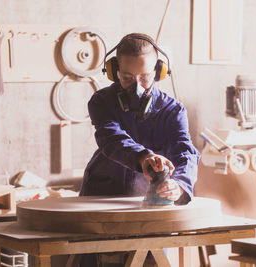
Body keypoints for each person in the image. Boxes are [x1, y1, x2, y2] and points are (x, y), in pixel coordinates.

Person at [79, 33, 200, 266]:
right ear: (114, 72)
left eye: (145, 78)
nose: (137, 87)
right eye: (127, 77)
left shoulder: (173, 111)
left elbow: (185, 152)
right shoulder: (101, 101)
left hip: (149, 205)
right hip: (101, 197)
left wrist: (179, 185)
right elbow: (111, 138)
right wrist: (144, 157)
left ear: (159, 71)